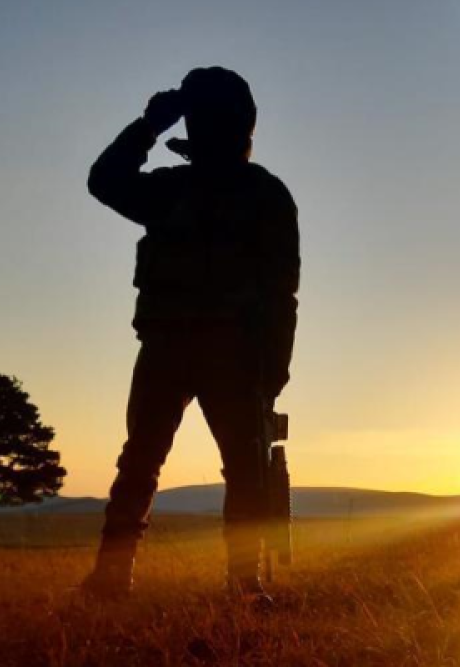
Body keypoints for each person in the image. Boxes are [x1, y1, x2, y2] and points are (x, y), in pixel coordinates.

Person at [82, 67, 300, 602]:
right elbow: (282, 296)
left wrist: (150, 125)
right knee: (192, 465)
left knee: (156, 463)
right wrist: (273, 369)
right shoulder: (256, 193)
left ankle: (222, 582)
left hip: (192, 346)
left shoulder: (198, 192)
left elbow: (280, 292)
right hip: (200, 348)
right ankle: (235, 582)